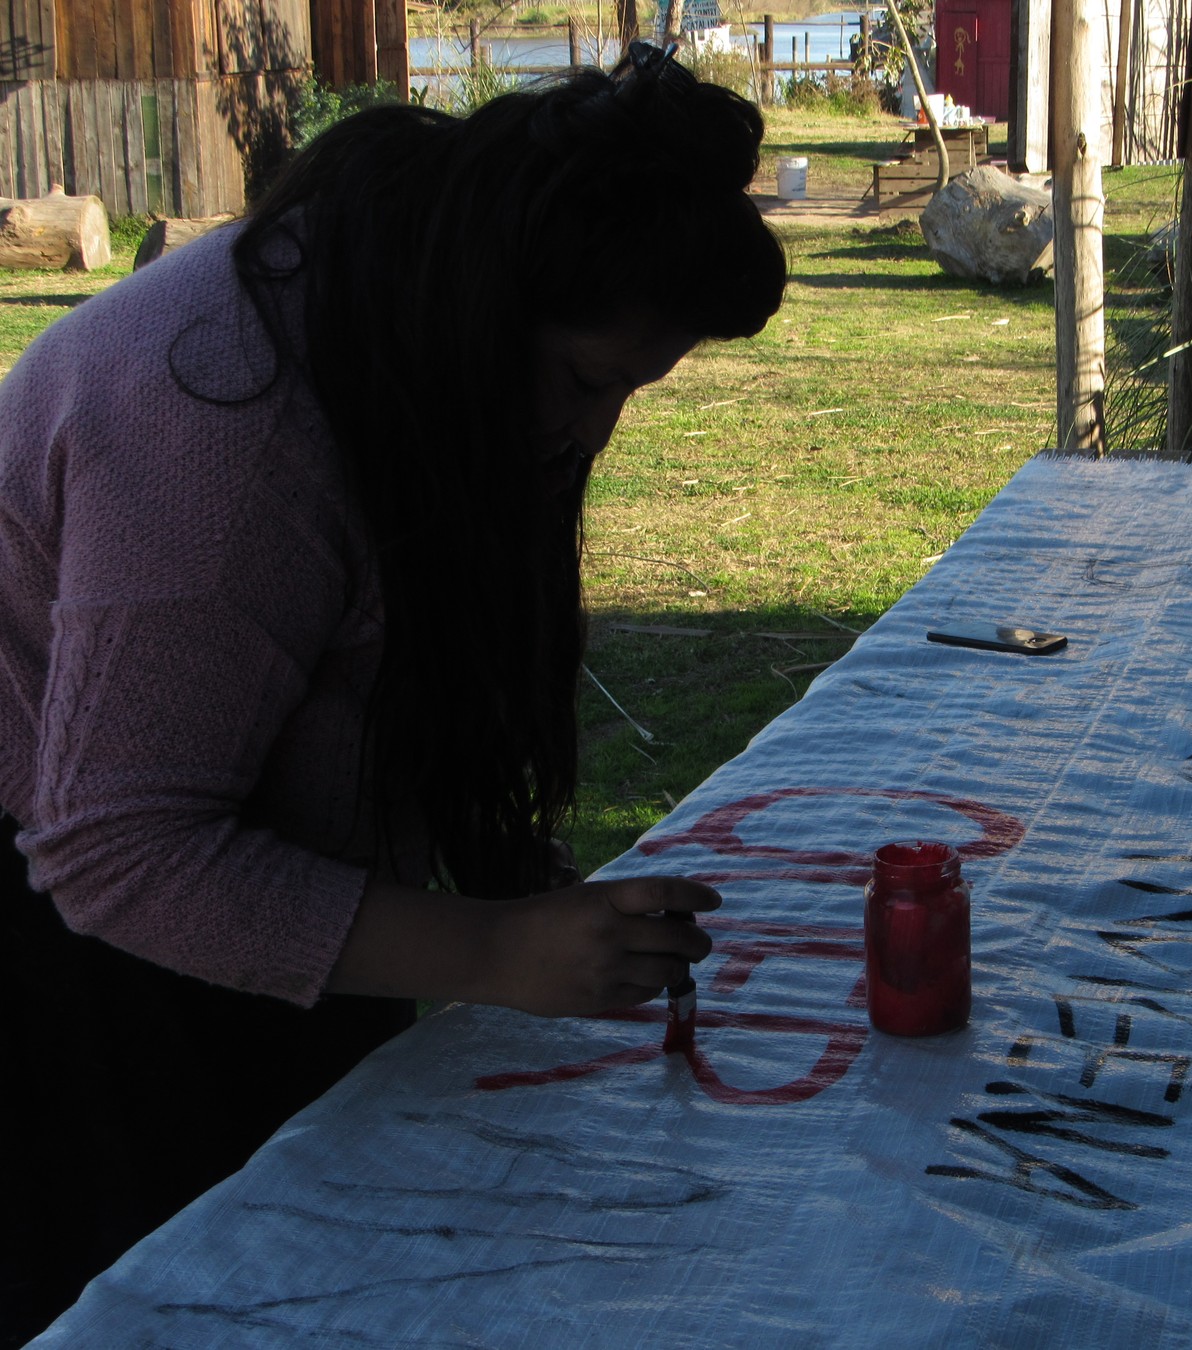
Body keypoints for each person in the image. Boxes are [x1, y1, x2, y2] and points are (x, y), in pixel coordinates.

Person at [0, 45, 786, 1344]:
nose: (592, 435)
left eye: (632, 391)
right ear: (492, 303)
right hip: (71, 945)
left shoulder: (415, 312)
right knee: (178, 1290)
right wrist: (492, 950)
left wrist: (501, 886)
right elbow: (118, 851)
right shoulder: (230, 424)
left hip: (238, 882)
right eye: (585, 380)